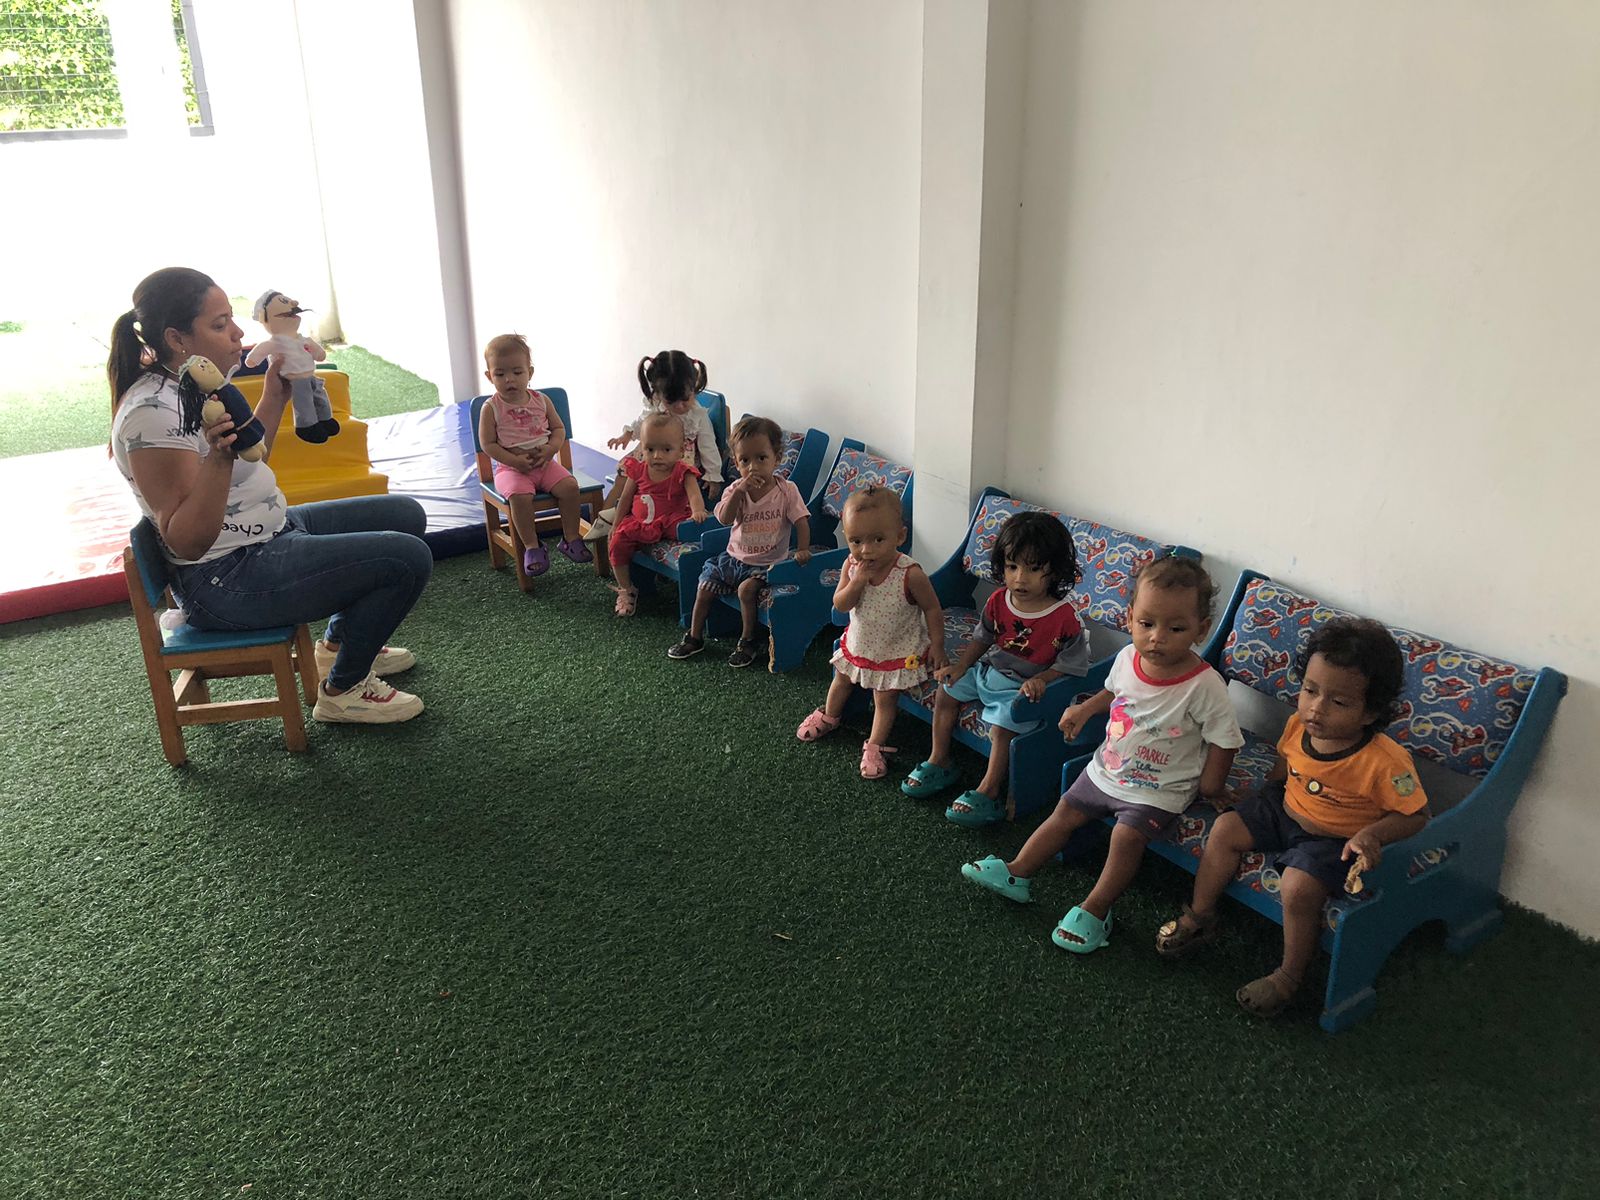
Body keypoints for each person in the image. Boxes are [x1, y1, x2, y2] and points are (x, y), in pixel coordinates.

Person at [108, 267, 432, 723]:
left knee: (404, 514)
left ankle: (338, 646)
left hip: (269, 530)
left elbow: (250, 459)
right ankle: (343, 691)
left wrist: (274, 397)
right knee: (406, 558)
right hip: (225, 576)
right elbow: (187, 539)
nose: (238, 334)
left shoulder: (193, 382)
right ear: (176, 338)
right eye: (219, 324)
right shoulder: (153, 413)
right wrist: (219, 458)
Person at [960, 557, 1242, 953]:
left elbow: (1225, 739)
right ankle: (1017, 871)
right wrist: (1084, 709)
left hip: (1157, 790)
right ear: (1130, 619)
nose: (1157, 637)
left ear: (1202, 629)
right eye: (1147, 623)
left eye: (1176, 628)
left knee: (1126, 837)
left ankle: (1095, 910)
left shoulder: (1205, 686)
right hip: (1106, 769)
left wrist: (1212, 787)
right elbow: (1113, 691)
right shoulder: (1127, 658)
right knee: (1063, 812)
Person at [1154, 617, 1430, 1018]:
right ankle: (1200, 916)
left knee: (1298, 887)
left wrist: (1373, 834)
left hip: (1334, 839)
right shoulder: (1297, 725)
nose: (1316, 708)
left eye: (1338, 702)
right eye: (1310, 690)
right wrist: (1260, 797)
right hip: (1284, 808)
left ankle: (1289, 976)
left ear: (1370, 713)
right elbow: (1284, 767)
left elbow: (1417, 815)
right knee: (1226, 829)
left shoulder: (1386, 762)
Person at [899, 511, 1092, 826]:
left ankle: (989, 791)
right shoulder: (999, 600)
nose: (1020, 578)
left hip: (1024, 691)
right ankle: (940, 759)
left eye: (1034, 569)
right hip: (989, 672)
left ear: (1055, 570)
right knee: (947, 691)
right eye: (1012, 566)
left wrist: (1042, 679)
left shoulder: (1065, 617)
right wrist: (961, 666)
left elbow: (1072, 664)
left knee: (1003, 726)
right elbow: (982, 638)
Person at [794, 487, 946, 780]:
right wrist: (856, 582)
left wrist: (937, 646)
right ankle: (830, 715)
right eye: (856, 541)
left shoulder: (910, 573)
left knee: (884, 698)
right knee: (841, 679)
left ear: (899, 536)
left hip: (896, 647)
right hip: (860, 642)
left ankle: (875, 744)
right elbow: (840, 604)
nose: (866, 550)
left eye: (878, 539)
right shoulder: (851, 566)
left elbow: (932, 609)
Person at [667, 416, 811, 667]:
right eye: (745, 460)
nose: (753, 466)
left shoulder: (787, 490)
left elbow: (801, 521)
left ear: (776, 458)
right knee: (705, 585)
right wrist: (740, 491)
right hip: (733, 558)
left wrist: (803, 549)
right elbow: (724, 518)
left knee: (746, 590)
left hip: (767, 564)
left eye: (761, 458)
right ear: (736, 463)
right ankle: (694, 636)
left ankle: (748, 641)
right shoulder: (735, 489)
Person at [475, 332, 592, 576]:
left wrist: (550, 449)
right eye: (500, 374)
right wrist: (513, 460)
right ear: (489, 376)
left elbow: (558, 429)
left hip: (545, 464)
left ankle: (570, 538)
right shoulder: (491, 407)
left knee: (570, 487)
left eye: (517, 372)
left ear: (530, 372)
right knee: (519, 497)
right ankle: (532, 546)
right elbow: (488, 444)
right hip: (511, 469)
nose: (509, 379)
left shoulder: (541, 400)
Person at [590, 350, 722, 542]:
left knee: (651, 489)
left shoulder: (697, 416)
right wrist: (627, 435)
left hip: (677, 460)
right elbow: (643, 422)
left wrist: (713, 474)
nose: (679, 406)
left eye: (685, 399)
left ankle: (623, 513)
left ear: (693, 389)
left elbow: (708, 446)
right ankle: (605, 519)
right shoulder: (656, 406)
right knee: (624, 477)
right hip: (650, 454)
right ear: (658, 395)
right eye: (671, 401)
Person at [608, 412, 706, 616]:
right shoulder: (638, 470)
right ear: (642, 448)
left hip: (671, 521)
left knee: (691, 531)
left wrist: (697, 510)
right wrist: (616, 524)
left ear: (681, 451)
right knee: (617, 543)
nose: (657, 456)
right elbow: (625, 499)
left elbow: (694, 495)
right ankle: (626, 589)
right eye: (650, 449)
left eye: (666, 449)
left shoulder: (683, 472)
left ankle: (698, 578)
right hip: (640, 523)